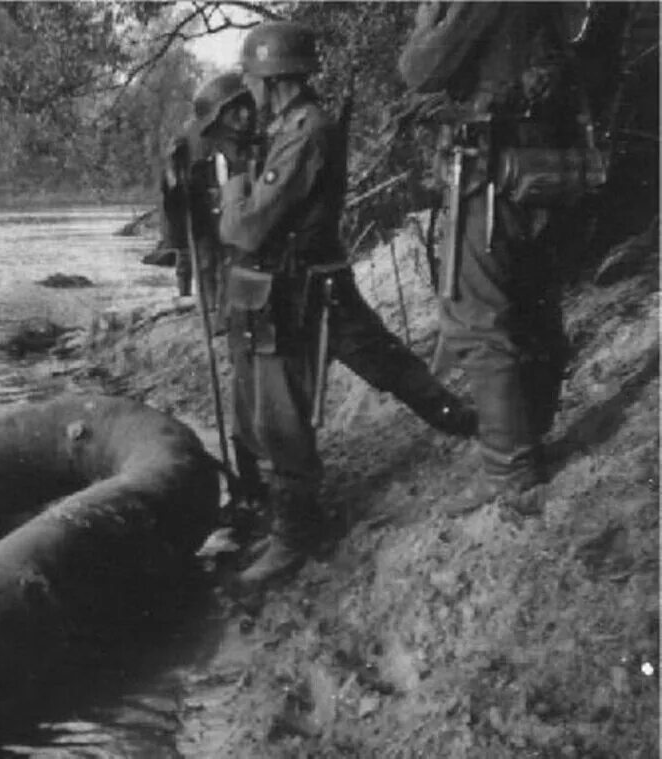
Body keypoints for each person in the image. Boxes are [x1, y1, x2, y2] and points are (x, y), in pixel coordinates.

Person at [201, 22, 478, 595]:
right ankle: (468, 421)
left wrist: (231, 182)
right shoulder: (288, 128)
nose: (248, 93)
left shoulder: (305, 132)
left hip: (305, 289)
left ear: (271, 80)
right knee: (384, 364)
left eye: (252, 80)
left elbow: (246, 227)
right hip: (301, 283)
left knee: (284, 410)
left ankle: (296, 535)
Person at [399, 3, 577, 516]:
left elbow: (420, 70)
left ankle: (510, 472)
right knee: (532, 309)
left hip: (490, 177)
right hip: (538, 173)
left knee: (479, 322)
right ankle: (533, 440)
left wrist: (429, 16)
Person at [160, 73, 245, 302]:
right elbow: (172, 173)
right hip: (199, 203)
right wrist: (177, 183)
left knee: (225, 257)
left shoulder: (228, 131)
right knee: (203, 259)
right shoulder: (185, 134)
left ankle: (222, 306)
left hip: (224, 200)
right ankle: (204, 303)